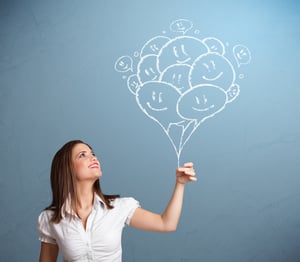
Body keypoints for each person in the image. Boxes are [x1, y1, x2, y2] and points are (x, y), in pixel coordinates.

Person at [37, 140, 197, 262]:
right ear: (67, 168)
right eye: (82, 155)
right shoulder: (50, 219)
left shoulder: (120, 207)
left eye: (92, 153)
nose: (93, 157)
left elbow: (166, 224)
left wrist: (180, 184)